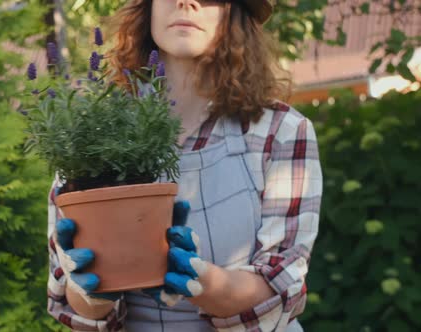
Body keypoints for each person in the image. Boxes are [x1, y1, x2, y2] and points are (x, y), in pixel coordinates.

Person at [46, 0, 323, 331]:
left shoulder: (280, 131)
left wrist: (203, 281)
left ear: (234, 12)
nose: (185, 2)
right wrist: (90, 289)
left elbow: (280, 280)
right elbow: (79, 311)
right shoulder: (93, 133)